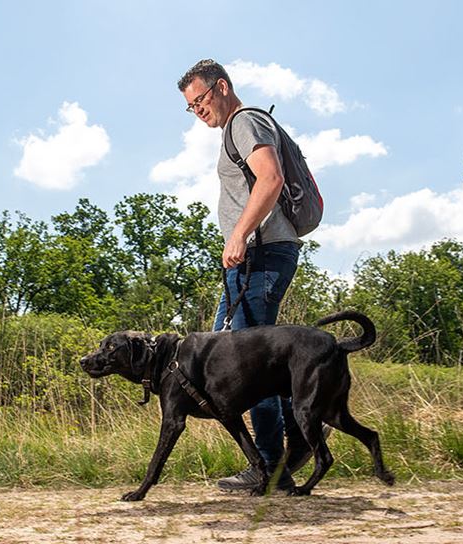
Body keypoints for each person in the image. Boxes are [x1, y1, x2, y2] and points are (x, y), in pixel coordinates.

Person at [177, 59, 309, 492]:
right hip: (254, 258)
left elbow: (271, 179)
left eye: (200, 99)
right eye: (190, 106)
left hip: (261, 255)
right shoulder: (233, 130)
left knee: (243, 366)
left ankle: (273, 465)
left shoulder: (244, 122)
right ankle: (299, 439)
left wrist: (238, 235)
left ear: (222, 87)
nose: (198, 110)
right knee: (234, 358)